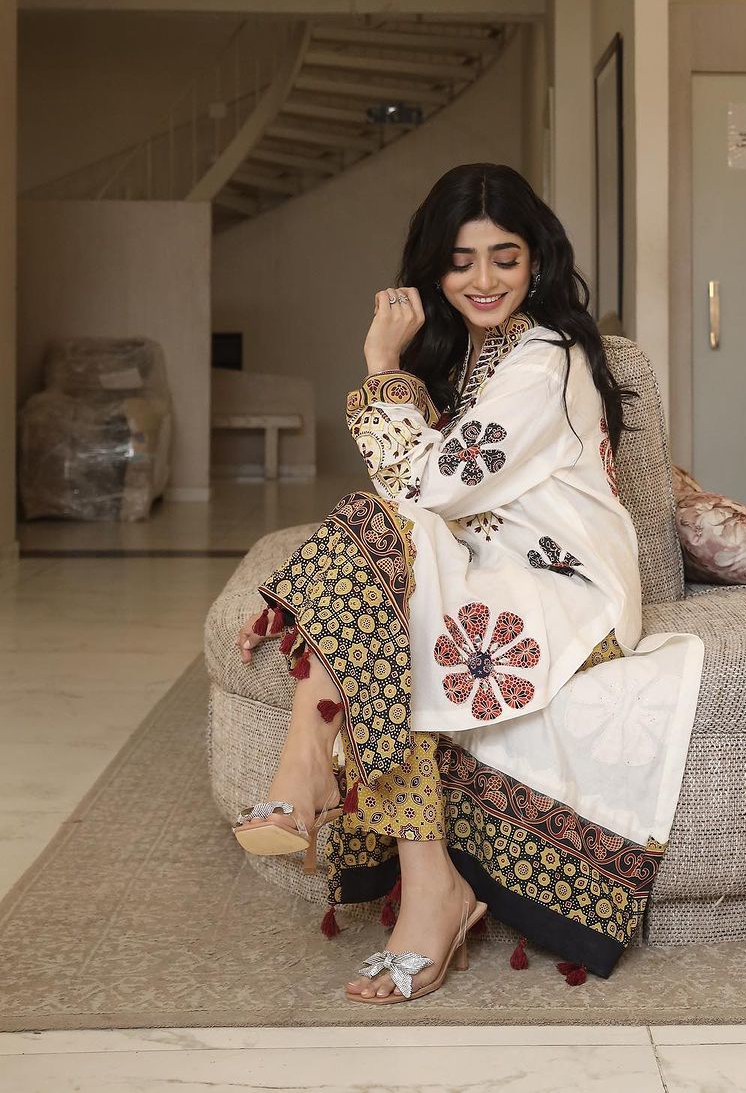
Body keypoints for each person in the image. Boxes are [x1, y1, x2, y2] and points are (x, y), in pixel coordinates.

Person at [231, 162, 704, 1005]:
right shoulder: (475, 354)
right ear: (433, 270)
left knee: (378, 566)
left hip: (565, 592)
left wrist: (380, 361)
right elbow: (409, 498)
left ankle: (308, 772)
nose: (483, 279)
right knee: (371, 571)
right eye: (460, 261)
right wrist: (320, 596)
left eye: (504, 257)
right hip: (486, 574)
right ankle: (427, 879)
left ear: (538, 261)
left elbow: (431, 485)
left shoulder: (545, 359)